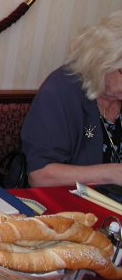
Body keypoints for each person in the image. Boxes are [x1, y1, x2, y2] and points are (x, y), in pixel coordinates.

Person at [21, 10, 122, 187]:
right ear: (103, 61)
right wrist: (111, 174)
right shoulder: (61, 89)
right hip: (65, 202)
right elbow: (40, 175)